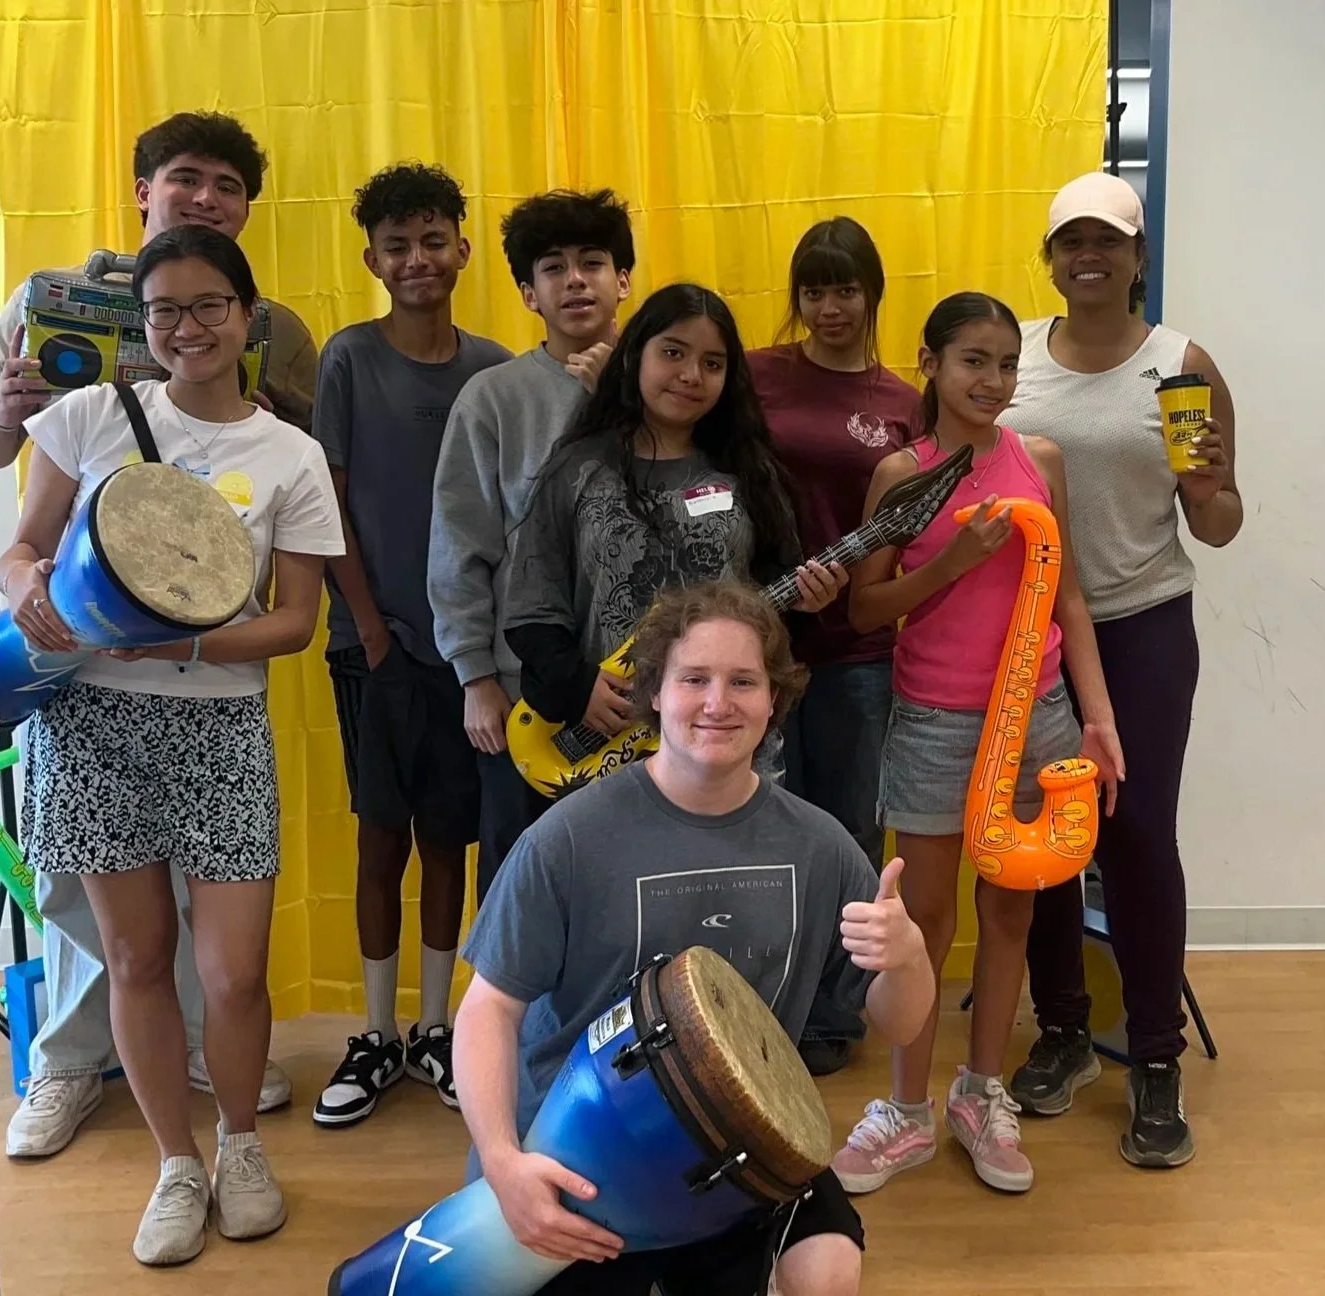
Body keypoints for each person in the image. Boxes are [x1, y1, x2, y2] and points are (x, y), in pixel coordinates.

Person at [0, 110, 303, 1160]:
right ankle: (68, 1063)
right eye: (186, 177)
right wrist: (9, 415)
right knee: (86, 900)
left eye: (228, 185)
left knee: (208, 924)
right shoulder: (54, 297)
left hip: (206, 663)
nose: (206, 198)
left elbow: (287, 465)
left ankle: (203, 1055)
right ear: (144, 188)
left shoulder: (277, 324)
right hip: (78, 649)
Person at [0, 225, 345, 1265]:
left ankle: (240, 1144)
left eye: (208, 307)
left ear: (247, 317)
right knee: (136, 960)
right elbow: (23, 549)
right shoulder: (88, 417)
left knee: (234, 974)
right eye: (164, 312)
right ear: (141, 324)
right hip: (93, 723)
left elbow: (295, 623)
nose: (186, 328)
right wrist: (24, 586)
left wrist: (182, 640)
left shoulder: (291, 454)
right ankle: (176, 1164)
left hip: (220, 727)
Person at [454, 579, 939, 1295]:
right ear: (654, 693)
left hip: (735, 1142)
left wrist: (908, 957)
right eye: (694, 679)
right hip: (584, 1148)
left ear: (773, 699)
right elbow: (487, 1011)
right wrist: (502, 1163)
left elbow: (900, 1022)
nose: (718, 703)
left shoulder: (820, 845)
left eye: (743, 681)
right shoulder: (569, 837)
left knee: (828, 1270)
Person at [826, 292, 1123, 1197]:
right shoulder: (901, 475)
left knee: (1011, 913)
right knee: (924, 919)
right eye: (973, 361)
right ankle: (906, 1109)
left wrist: (1099, 716)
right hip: (936, 720)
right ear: (930, 363)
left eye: (1006, 364)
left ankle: (981, 1091)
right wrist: (953, 563)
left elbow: (1069, 597)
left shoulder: (1041, 460)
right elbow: (864, 608)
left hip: (1037, 716)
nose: (992, 381)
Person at [999, 170, 1244, 1169]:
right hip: (1029, 633)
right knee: (1048, 837)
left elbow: (1219, 525)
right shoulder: (1010, 354)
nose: (1088, 255)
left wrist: (1209, 484)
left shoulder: (1180, 365)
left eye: (1107, 240)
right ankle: (1064, 1032)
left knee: (1137, 835)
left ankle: (1154, 1056)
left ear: (1138, 256)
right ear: (1052, 259)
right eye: (1071, 241)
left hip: (1143, 626)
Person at [312, 162, 512, 1128]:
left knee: (447, 840)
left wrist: (473, 646)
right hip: (373, 649)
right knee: (379, 838)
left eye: (434, 240)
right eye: (397, 246)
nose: (418, 259)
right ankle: (376, 1032)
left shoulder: (496, 370)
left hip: (468, 657)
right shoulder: (348, 360)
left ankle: (436, 1028)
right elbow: (329, 506)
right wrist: (372, 630)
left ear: (463, 250)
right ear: (372, 261)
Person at [501, 282, 850, 799]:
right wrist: (578, 686)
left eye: (712, 363)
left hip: (725, 738)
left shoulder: (750, 473)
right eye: (672, 353)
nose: (691, 375)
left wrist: (809, 604)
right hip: (609, 742)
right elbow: (532, 607)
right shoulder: (578, 469)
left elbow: (775, 611)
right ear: (634, 355)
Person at [747, 216, 924, 1078]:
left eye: (845, 288)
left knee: (850, 835)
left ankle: (834, 1013)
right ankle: (763, 1005)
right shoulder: (756, 375)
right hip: (758, 650)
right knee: (764, 836)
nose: (829, 307)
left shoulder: (903, 404)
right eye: (813, 290)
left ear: (873, 293)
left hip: (858, 652)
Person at [427, 188, 634, 901]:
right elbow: (460, 543)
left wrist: (622, 398)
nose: (575, 280)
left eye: (593, 263)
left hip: (648, 695)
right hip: (529, 697)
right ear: (527, 292)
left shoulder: (670, 387)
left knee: (633, 888)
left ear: (623, 280)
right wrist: (475, 678)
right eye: (553, 268)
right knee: (524, 890)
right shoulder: (494, 398)